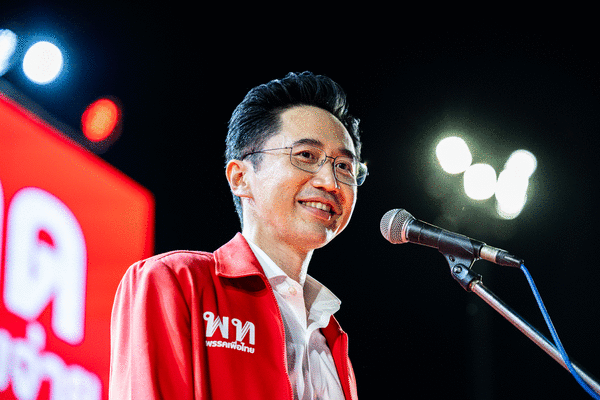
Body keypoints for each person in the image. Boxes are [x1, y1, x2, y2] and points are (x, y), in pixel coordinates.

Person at [109, 71, 368, 399]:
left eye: (344, 167)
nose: (330, 182)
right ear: (240, 178)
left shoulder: (331, 340)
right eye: (306, 156)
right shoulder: (176, 281)